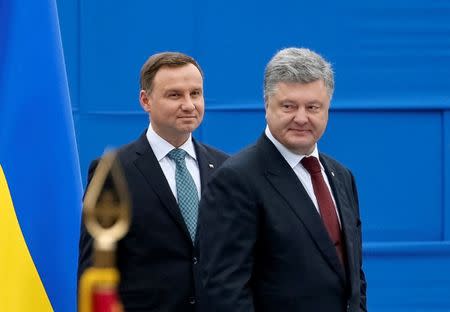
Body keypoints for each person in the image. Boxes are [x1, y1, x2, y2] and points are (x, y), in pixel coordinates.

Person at [198, 47, 367, 312]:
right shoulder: (236, 180)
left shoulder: (342, 176)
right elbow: (224, 292)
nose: (301, 118)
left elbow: (353, 278)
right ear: (267, 104)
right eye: (289, 106)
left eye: (313, 107)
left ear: (327, 109)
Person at [78, 52, 228, 311]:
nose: (189, 105)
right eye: (175, 95)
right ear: (145, 101)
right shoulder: (113, 171)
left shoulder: (226, 168)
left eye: (195, 93)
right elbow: (96, 268)